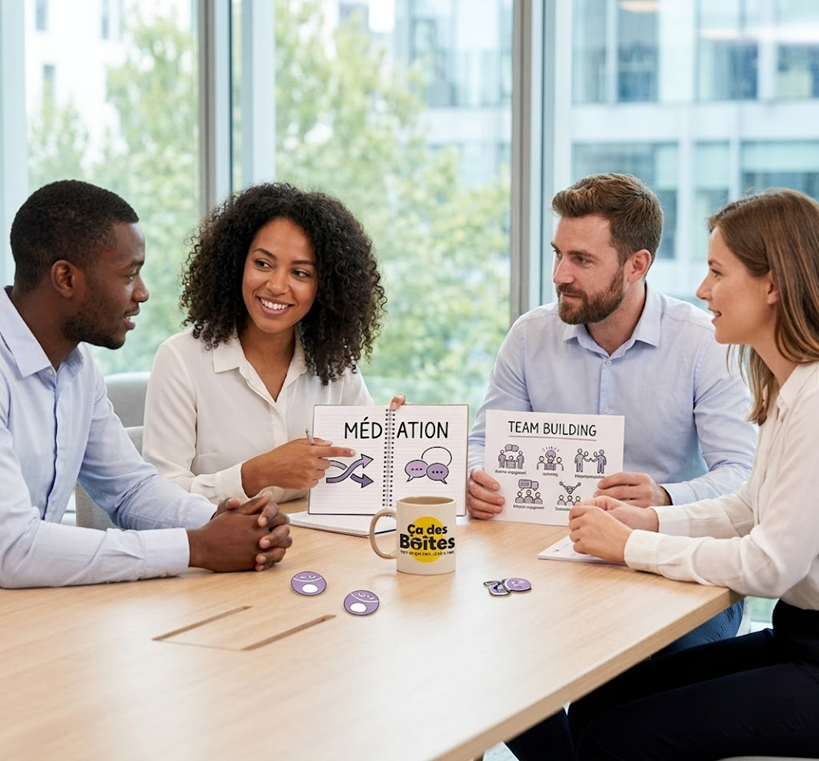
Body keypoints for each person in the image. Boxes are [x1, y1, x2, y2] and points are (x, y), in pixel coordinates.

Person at [466, 173, 755, 760]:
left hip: (673, 580)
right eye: (557, 254)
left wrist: (665, 497)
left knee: (613, 707)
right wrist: (478, 480)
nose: (559, 276)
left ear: (636, 264)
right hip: (552, 568)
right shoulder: (530, 336)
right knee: (490, 674)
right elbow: (480, 444)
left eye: (581, 259)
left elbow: (744, 478)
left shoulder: (704, 343)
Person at [565, 188, 819, 759]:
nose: (702, 290)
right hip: (799, 636)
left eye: (716, 271)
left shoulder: (815, 399)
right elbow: (745, 509)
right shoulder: (790, 385)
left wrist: (633, 545)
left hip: (812, 657)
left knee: (615, 736)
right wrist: (651, 517)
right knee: (595, 704)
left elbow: (770, 564)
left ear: (773, 285)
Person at [0, 180, 291, 589]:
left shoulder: (78, 370)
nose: (142, 292)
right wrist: (196, 548)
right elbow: (12, 550)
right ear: (65, 278)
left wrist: (226, 521)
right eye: (128, 274)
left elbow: (130, 490)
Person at [143, 182, 402, 506]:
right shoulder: (180, 359)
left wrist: (395, 438)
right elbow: (157, 499)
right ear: (237, 264)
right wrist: (254, 474)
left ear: (325, 287)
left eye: (300, 273)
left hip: (315, 547)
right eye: (262, 264)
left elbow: (367, 468)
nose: (277, 285)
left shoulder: (334, 362)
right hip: (219, 554)